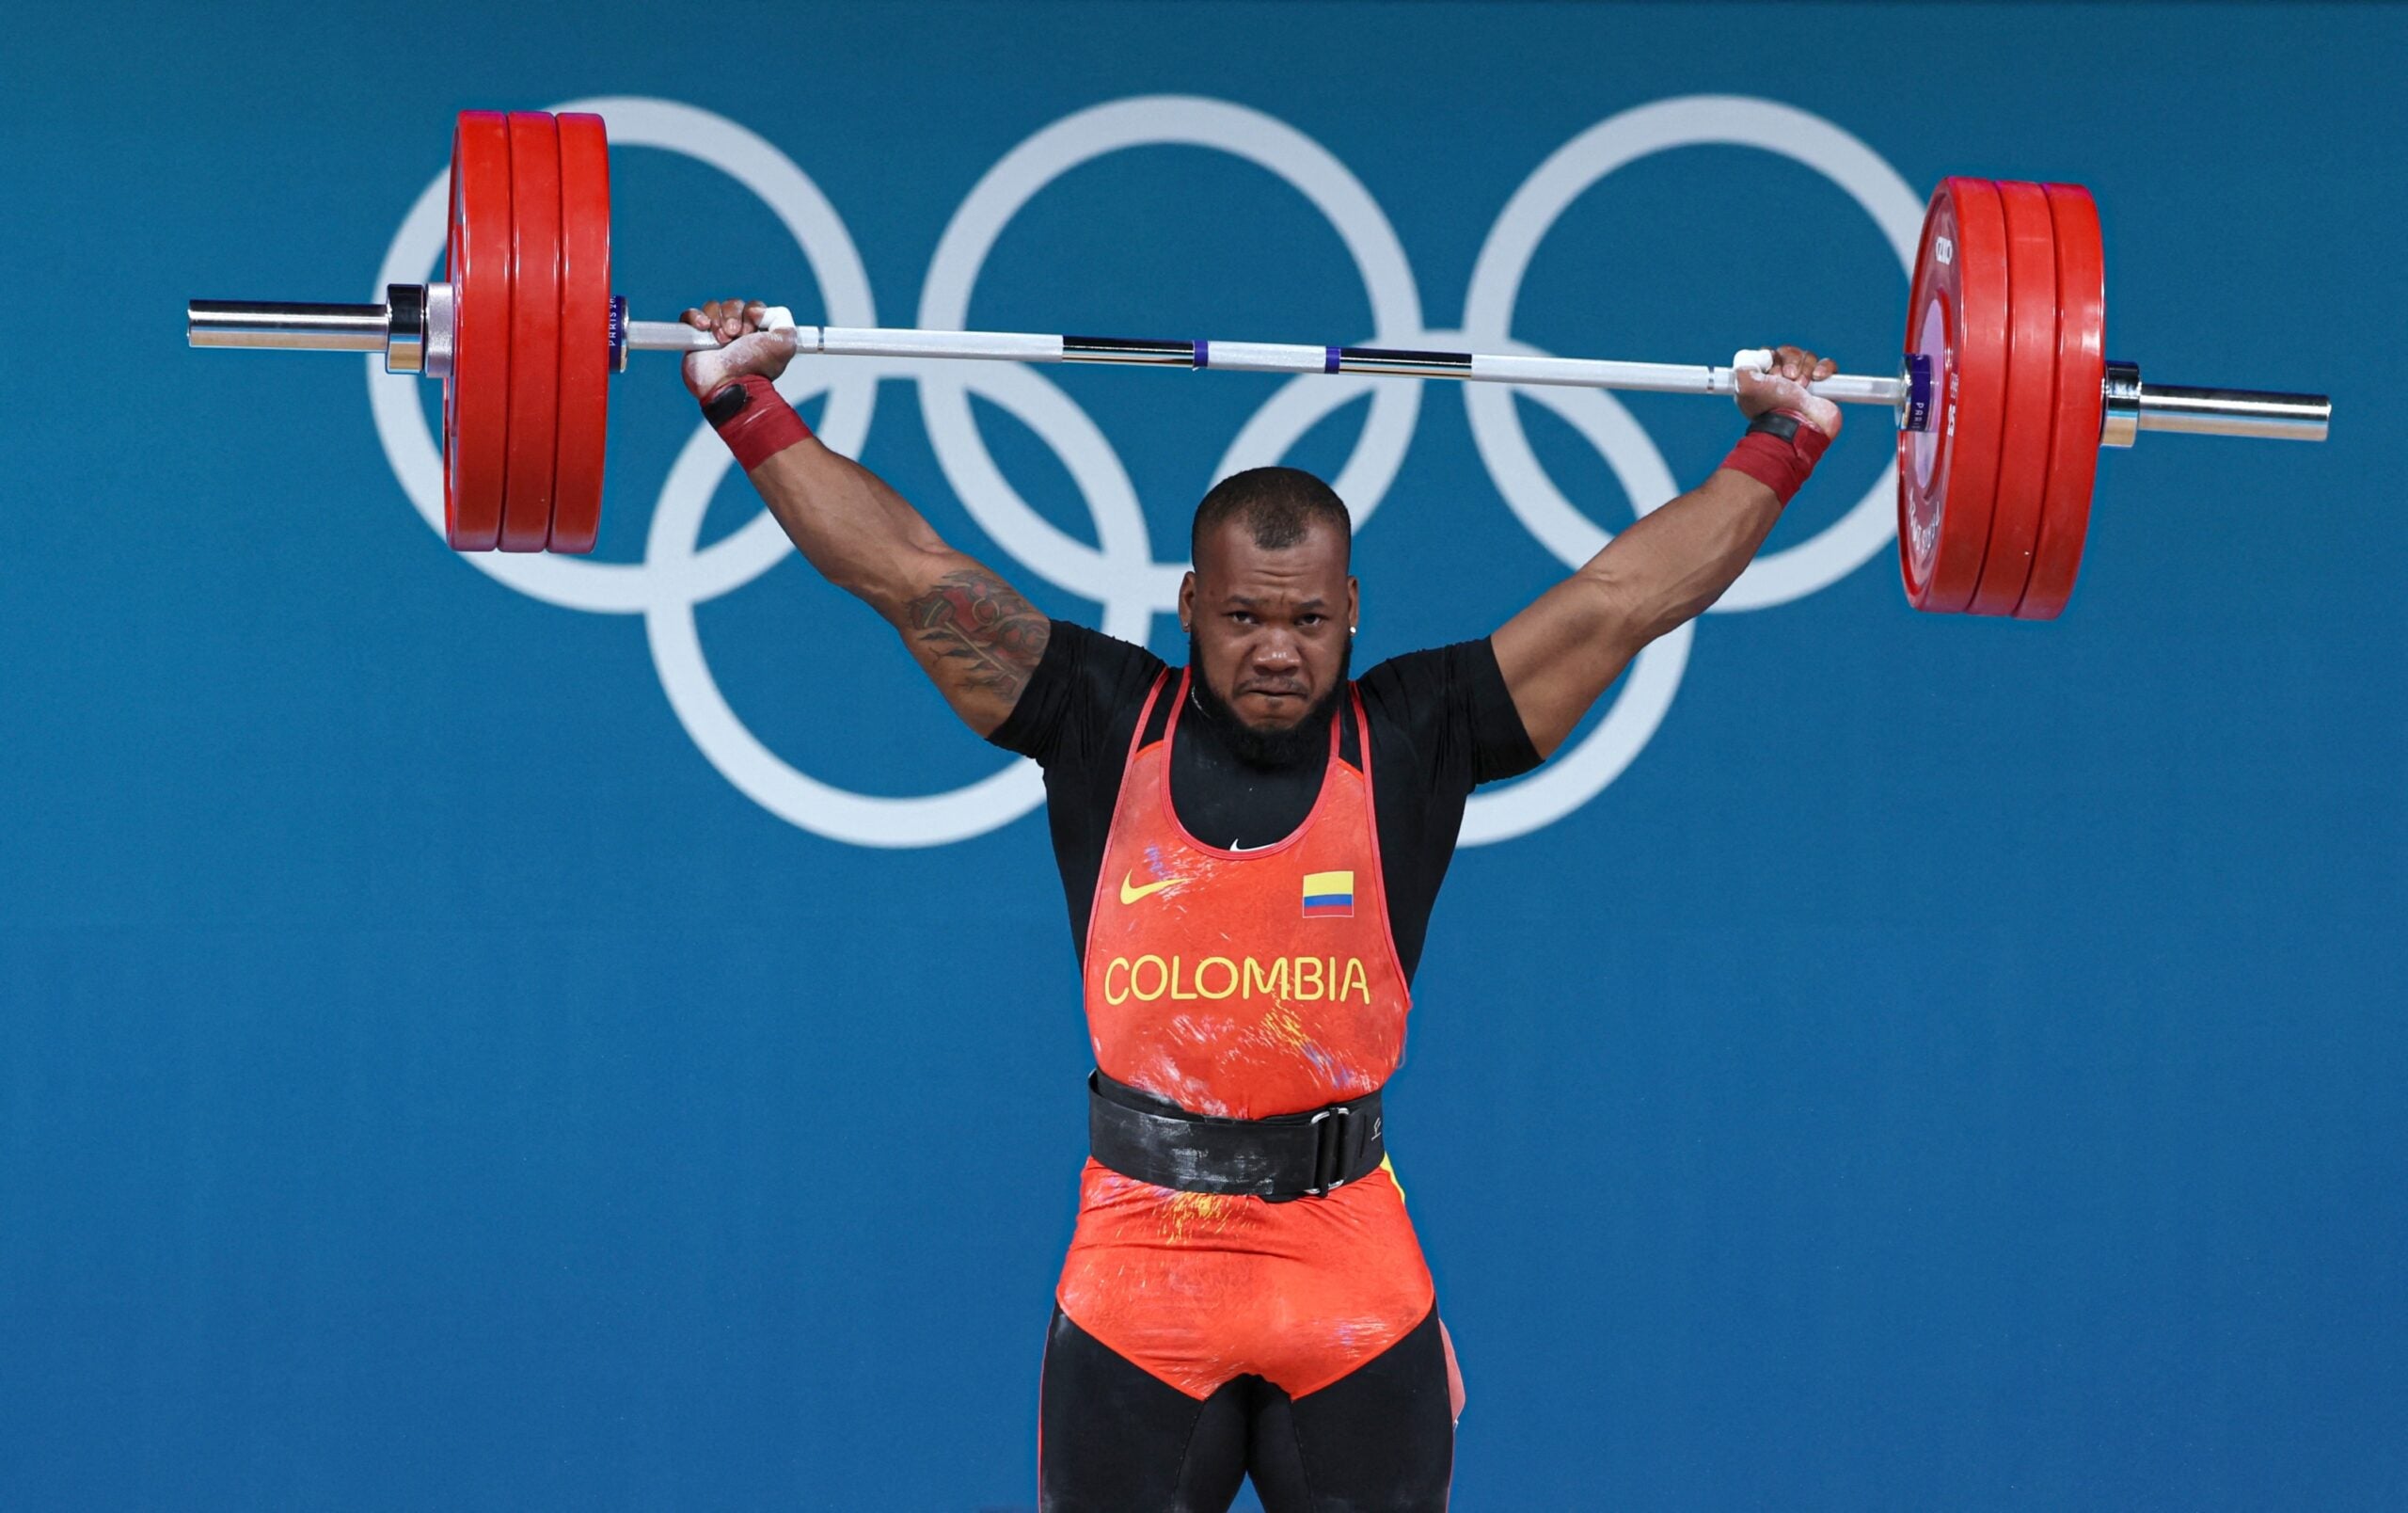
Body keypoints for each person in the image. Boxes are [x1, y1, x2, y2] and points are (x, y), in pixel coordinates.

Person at [679, 298, 1840, 1513]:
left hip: (1347, 1271)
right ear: (1189, 607)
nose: (1274, 650)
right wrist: (739, 400)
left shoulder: (1413, 735)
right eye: (1242, 618)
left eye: (1305, 619)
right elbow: (908, 575)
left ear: (1352, 614)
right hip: (1140, 1270)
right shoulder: (1098, 717)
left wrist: (1786, 442)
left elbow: (1621, 600)